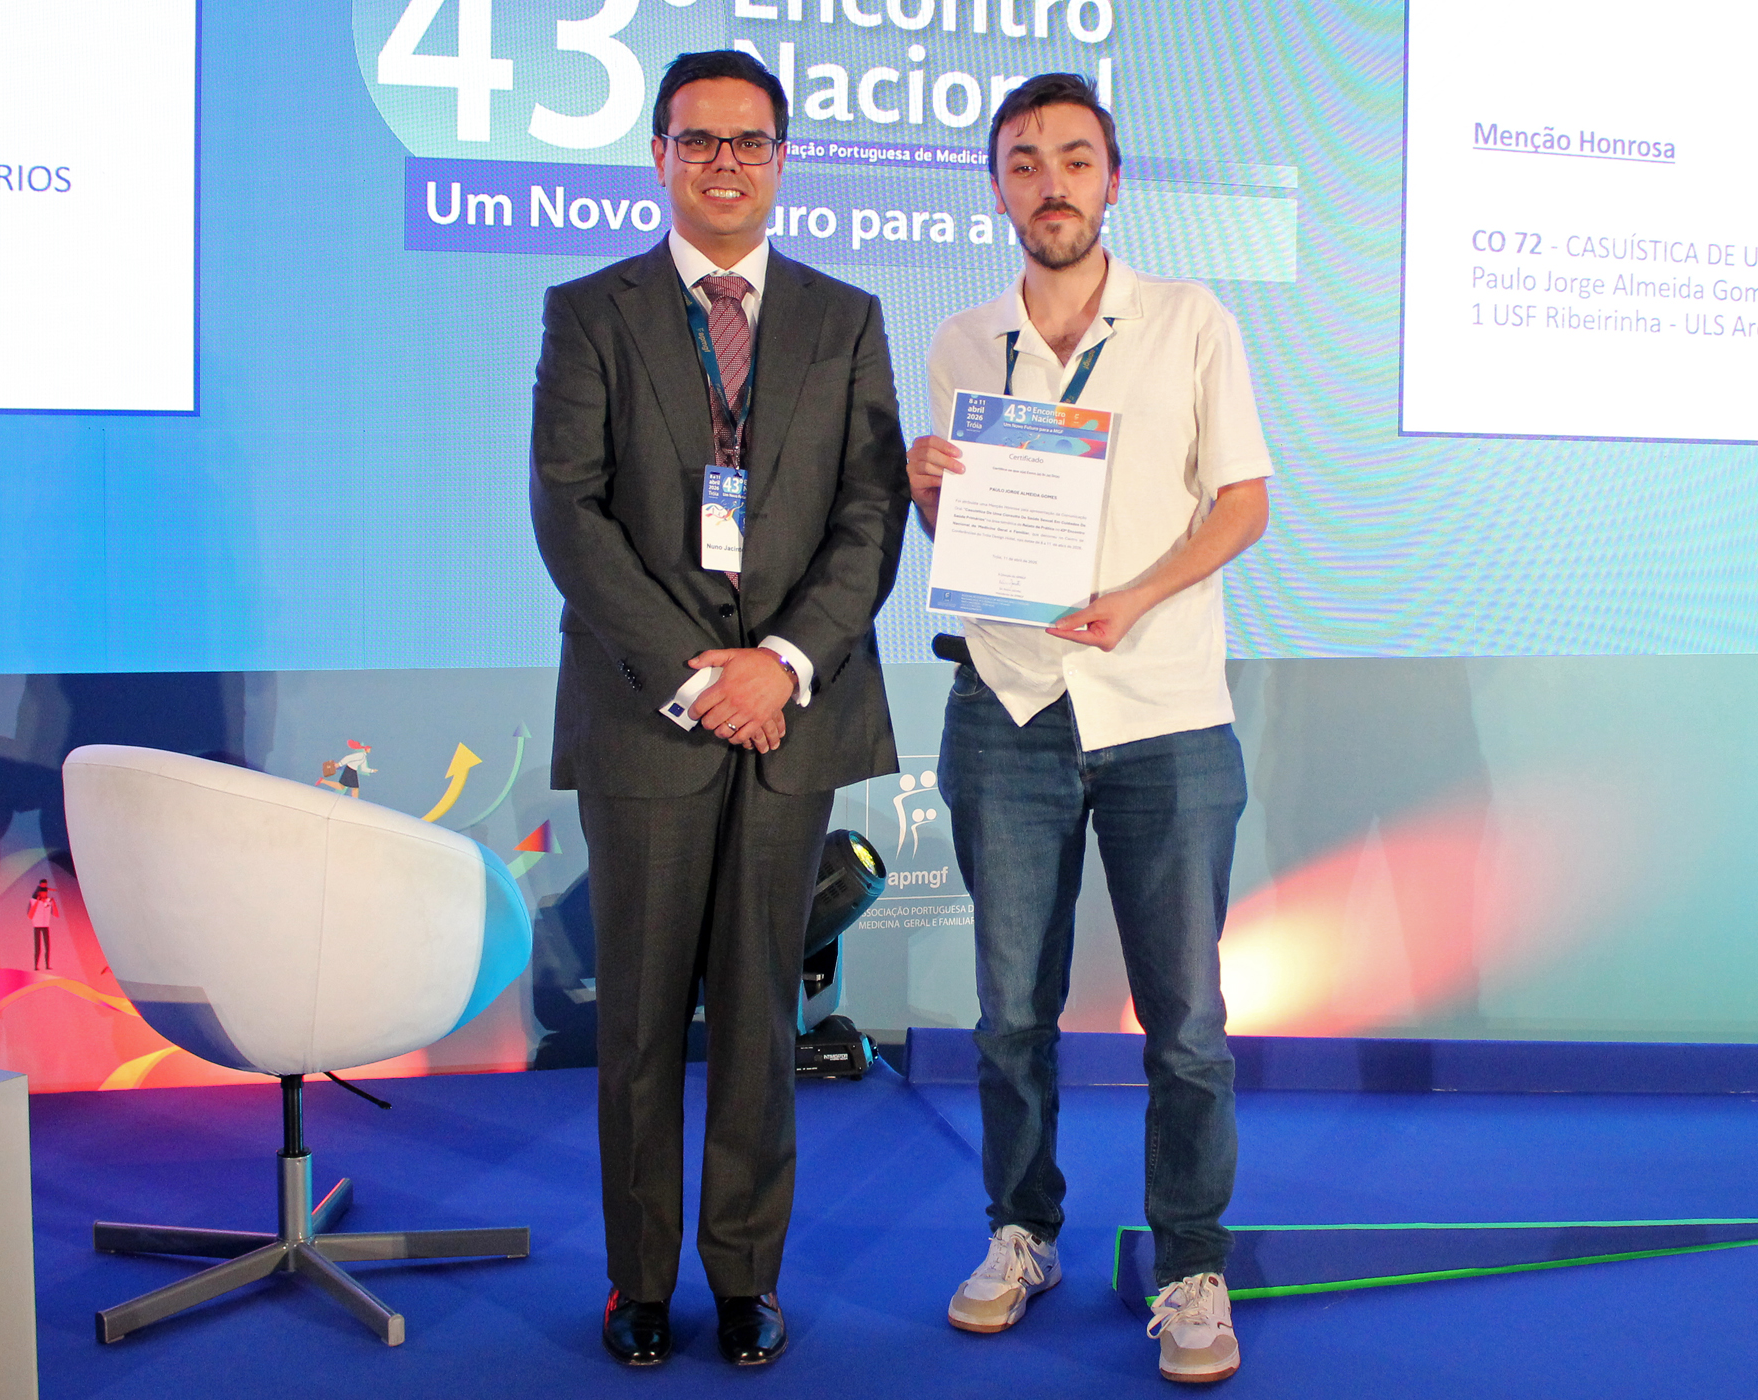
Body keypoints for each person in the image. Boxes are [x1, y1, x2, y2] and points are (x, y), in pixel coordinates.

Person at [528, 48, 908, 1370]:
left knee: (759, 1017)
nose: (725, 163)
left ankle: (746, 1278)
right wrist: (698, 673)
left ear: (782, 159)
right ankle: (639, 1283)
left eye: (749, 141)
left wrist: (781, 663)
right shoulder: (590, 311)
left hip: (792, 715)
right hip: (650, 715)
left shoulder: (846, 318)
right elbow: (569, 513)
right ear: (660, 157)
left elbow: (869, 515)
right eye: (699, 141)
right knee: (637, 1020)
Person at [905, 72, 1274, 1385]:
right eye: (1023, 161)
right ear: (998, 188)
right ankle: (1022, 1230)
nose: (1049, 182)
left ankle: (1191, 1265)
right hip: (1007, 705)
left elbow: (1243, 502)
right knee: (1012, 1013)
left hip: (1163, 707)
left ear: (1112, 181)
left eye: (1074, 158)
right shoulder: (962, 342)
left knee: (1185, 1022)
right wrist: (926, 492)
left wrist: (1137, 597)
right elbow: (971, 539)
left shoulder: (1188, 320)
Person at [27, 879, 57, 971]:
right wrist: (37, 902)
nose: (44, 894)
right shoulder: (33, 901)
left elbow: (56, 914)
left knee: (47, 946)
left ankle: (47, 965)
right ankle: (36, 966)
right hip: (37, 926)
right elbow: (30, 915)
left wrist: (53, 903)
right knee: (38, 947)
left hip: (45, 926)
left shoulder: (48, 902)